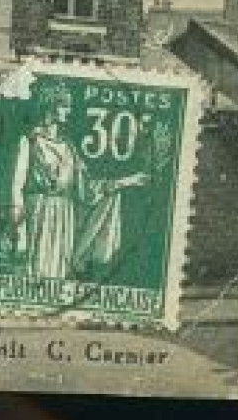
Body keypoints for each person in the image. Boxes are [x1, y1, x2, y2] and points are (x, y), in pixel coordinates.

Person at [10, 85, 149, 280]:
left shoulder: (69, 148)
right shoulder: (29, 142)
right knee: (36, 271)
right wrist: (20, 232)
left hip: (64, 216)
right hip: (39, 213)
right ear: (51, 107)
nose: (68, 111)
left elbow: (88, 189)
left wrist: (126, 181)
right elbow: (16, 188)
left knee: (59, 274)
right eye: (64, 106)